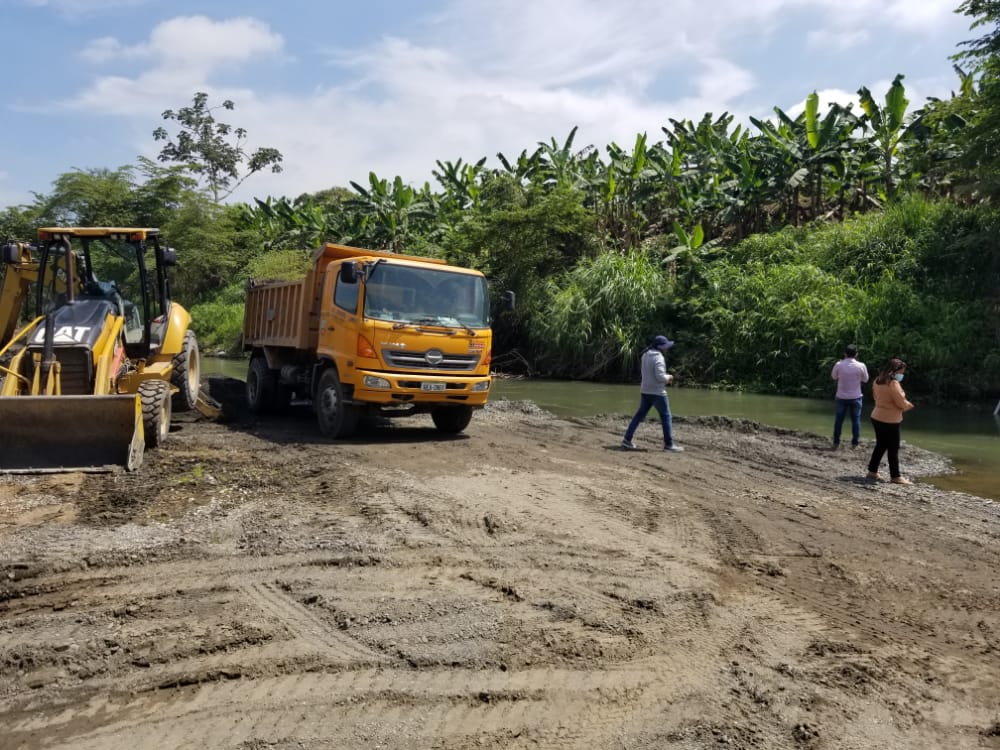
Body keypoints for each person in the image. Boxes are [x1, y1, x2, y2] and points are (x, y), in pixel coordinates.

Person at [622, 335, 683, 452]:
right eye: (666, 346)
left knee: (639, 416)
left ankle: (627, 439)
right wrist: (669, 377)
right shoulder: (659, 358)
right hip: (657, 392)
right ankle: (669, 445)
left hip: (645, 391)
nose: (667, 348)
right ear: (660, 347)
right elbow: (660, 377)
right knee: (666, 416)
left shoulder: (645, 355)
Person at [866, 358, 915, 485]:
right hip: (890, 419)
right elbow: (900, 401)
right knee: (893, 447)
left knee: (881, 445)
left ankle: (872, 471)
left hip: (877, 416)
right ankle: (895, 476)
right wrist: (909, 405)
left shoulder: (877, 380)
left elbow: (876, 397)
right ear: (895, 371)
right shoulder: (893, 383)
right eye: (901, 372)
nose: (902, 375)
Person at [831, 344, 869, 449]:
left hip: (841, 397)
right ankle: (854, 443)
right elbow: (866, 380)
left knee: (839, 420)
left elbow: (834, 377)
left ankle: (836, 442)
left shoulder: (839, 364)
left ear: (845, 353)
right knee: (856, 421)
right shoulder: (861, 365)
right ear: (856, 354)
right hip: (856, 397)